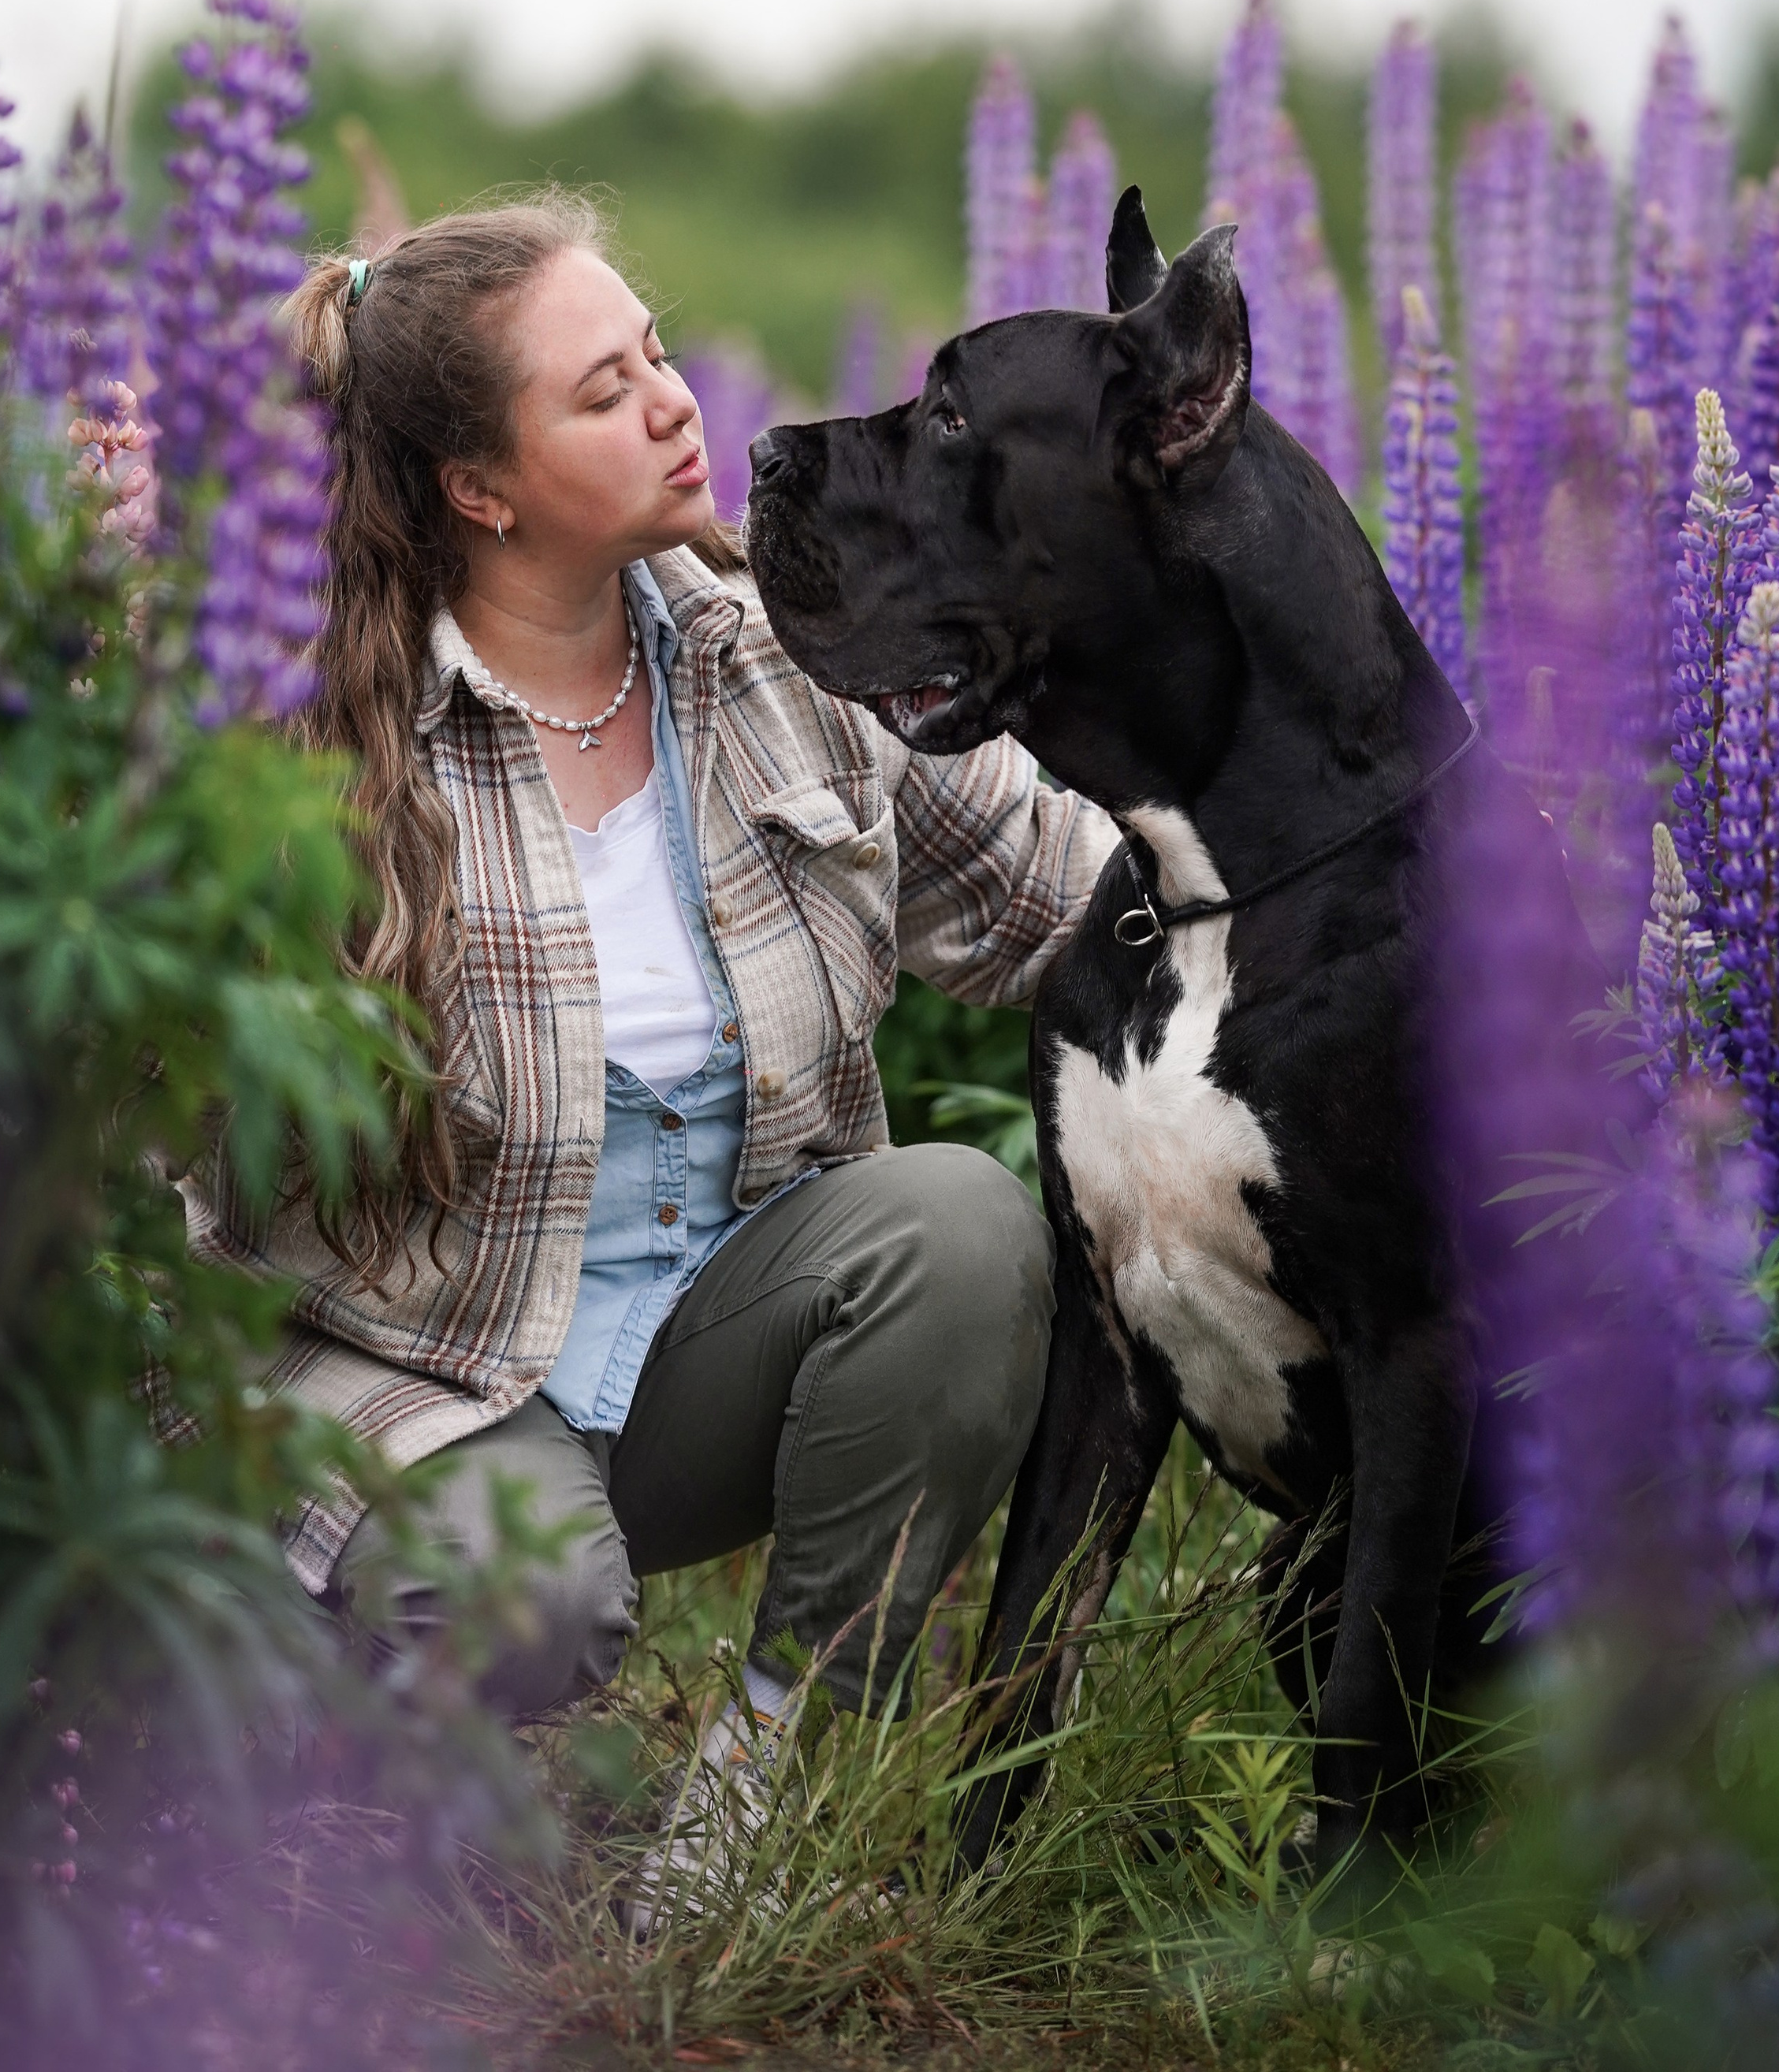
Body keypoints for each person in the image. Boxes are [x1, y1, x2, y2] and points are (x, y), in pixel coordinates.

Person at [185, 192, 1115, 1910]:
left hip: (686, 1349)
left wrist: (1326, 887)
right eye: (603, 391)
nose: (676, 400)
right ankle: (290, 1739)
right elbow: (105, 971)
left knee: (962, 1227)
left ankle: (754, 1809)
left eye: (660, 355)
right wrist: (110, 630)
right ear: (482, 485)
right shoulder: (307, 721)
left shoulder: (782, 658)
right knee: (529, 1599)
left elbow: (1064, 890)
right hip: (413, 1382)